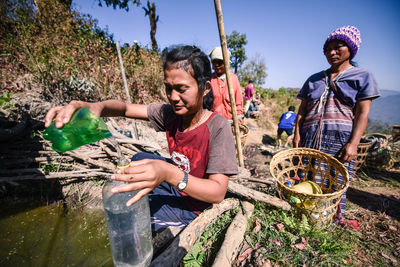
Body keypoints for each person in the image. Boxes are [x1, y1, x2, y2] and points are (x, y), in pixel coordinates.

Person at [44, 45, 239, 234]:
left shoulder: (218, 127)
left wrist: (169, 173)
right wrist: (97, 107)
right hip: (177, 183)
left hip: (195, 204)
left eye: (181, 89)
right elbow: (126, 109)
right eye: (168, 88)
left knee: (136, 222)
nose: (173, 97)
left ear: (205, 88)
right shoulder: (171, 114)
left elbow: (217, 192)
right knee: (138, 159)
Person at [293, 26, 380, 218]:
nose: (332, 52)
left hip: (339, 141)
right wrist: (297, 134)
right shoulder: (314, 79)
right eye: (327, 49)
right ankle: (304, 217)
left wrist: (353, 144)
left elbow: (363, 113)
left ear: (350, 49)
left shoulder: (362, 76)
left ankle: (329, 219)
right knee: (307, 178)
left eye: (338, 47)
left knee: (334, 180)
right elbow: (302, 110)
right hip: (309, 139)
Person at [209, 46, 244, 123]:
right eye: (214, 62)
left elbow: (238, 101)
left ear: (226, 62)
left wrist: (239, 116)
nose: (217, 65)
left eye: (220, 62)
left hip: (230, 121)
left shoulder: (233, 79)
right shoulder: (210, 79)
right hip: (214, 121)